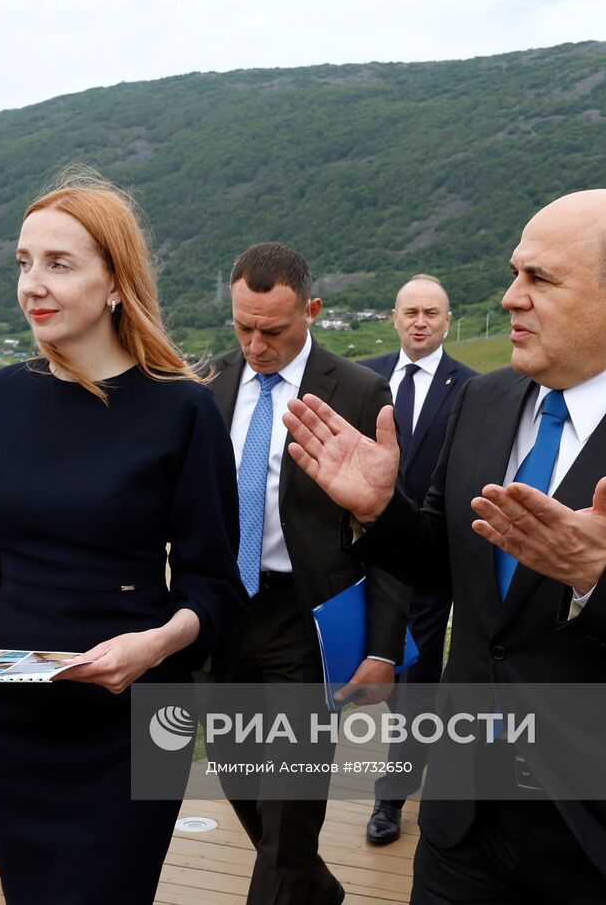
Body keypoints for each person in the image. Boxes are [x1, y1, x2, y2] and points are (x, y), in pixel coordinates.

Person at [283, 189, 606, 903]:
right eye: (515, 272)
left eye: (539, 279)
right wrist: (380, 513)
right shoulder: (484, 402)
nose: (510, 296)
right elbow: (452, 562)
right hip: (468, 821)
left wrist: (602, 576)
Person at [0, 168, 245, 905]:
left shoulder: (183, 410)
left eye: (59, 264)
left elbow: (213, 588)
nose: (34, 285)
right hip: (16, 717)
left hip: (134, 716)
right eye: (24, 264)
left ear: (116, 283)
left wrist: (150, 645)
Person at [203, 242, 405, 905]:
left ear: (311, 310)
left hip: (306, 619)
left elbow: (390, 529)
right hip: (225, 613)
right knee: (243, 786)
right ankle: (315, 888)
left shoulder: (360, 389)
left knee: (290, 805)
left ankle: (293, 883)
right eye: (244, 327)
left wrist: (381, 647)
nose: (257, 344)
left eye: (274, 330)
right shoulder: (207, 383)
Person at [359, 273, 477, 846]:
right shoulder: (364, 378)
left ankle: (390, 798)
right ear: (395, 317)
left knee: (417, 684)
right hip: (363, 555)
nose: (420, 321)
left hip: (430, 559)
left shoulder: (474, 389)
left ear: (447, 320)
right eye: (410, 312)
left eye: (432, 312)